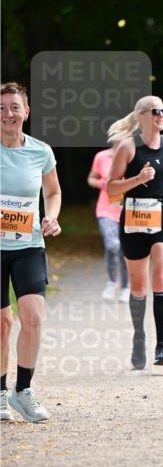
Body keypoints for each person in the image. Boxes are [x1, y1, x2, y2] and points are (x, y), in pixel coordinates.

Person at [106, 96, 163, 370]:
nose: (162, 115)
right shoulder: (127, 148)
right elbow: (111, 189)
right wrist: (138, 180)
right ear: (142, 116)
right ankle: (139, 337)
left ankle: (162, 346)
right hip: (133, 219)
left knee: (161, 278)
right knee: (139, 286)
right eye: (156, 111)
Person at [1, 81, 62, 423]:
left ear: (26, 112)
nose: (7, 114)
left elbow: (53, 192)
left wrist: (51, 216)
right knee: (2, 324)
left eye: (14, 107)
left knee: (33, 318)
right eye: (1, 108)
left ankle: (22, 390)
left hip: (29, 245)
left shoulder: (41, 151)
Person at [87, 147, 130, 302]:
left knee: (126, 251)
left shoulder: (133, 156)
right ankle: (112, 281)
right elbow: (91, 178)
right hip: (105, 210)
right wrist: (102, 183)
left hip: (128, 210)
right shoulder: (102, 156)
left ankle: (126, 287)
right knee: (112, 246)